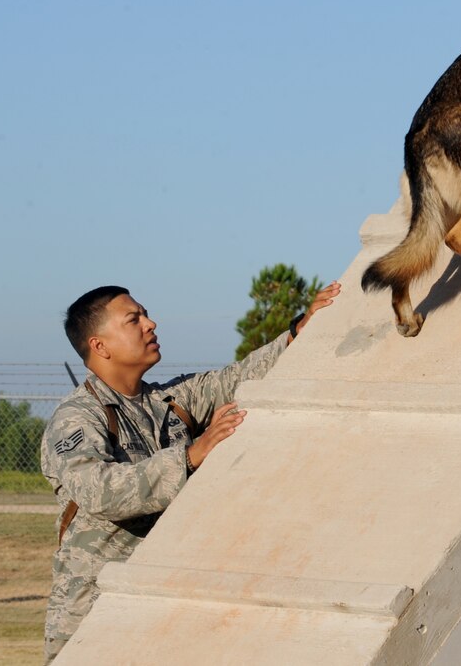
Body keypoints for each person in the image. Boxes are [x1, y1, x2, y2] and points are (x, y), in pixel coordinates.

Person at [39, 282, 340, 662]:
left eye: (145, 314)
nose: (151, 324)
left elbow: (237, 378)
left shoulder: (167, 402)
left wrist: (300, 331)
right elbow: (99, 491)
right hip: (95, 613)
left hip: (161, 602)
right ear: (100, 346)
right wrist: (191, 456)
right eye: (134, 319)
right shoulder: (78, 418)